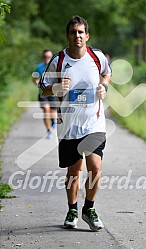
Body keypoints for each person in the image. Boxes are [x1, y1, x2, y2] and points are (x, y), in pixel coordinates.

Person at [40, 16, 111, 231]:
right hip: (69, 126)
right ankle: (72, 209)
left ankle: (89, 208)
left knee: (95, 167)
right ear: (68, 36)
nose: (77, 36)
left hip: (94, 124)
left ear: (87, 36)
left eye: (81, 32)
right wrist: (57, 87)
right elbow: (43, 89)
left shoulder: (97, 57)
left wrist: (104, 88)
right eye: (73, 32)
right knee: (74, 171)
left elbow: (106, 74)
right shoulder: (59, 61)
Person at [32, 49, 57, 139]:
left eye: (49, 57)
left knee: (52, 112)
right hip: (43, 94)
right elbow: (34, 77)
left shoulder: (56, 66)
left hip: (54, 94)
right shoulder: (39, 67)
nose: (46, 59)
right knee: (46, 110)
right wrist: (36, 81)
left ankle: (53, 120)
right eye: (45, 57)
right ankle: (48, 130)